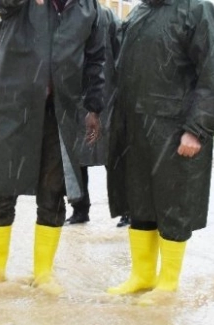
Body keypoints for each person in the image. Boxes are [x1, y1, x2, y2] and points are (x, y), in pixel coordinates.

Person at [0, 0, 105, 289]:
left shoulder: (88, 8)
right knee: (1, 190)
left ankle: (43, 274)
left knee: (53, 194)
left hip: (60, 112)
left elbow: (97, 59)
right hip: (11, 107)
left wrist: (94, 107)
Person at [106, 0, 214, 303]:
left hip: (175, 128)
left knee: (173, 204)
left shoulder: (196, 9)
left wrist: (198, 128)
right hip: (135, 127)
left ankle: (168, 284)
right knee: (139, 202)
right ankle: (142, 275)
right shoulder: (139, 12)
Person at [65, 5, 126, 228]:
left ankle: (125, 209)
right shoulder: (66, 15)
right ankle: (80, 209)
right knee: (76, 158)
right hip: (75, 98)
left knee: (112, 155)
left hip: (106, 95)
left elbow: (122, 54)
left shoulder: (107, 16)